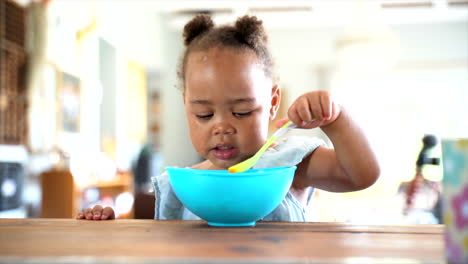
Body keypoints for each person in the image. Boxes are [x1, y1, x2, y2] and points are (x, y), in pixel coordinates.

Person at [77, 14, 380, 221]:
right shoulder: (179, 185)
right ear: (186, 106)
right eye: (204, 114)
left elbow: (362, 175)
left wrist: (336, 119)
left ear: (273, 103)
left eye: (241, 112)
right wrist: (110, 221)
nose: (221, 126)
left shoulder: (289, 165)